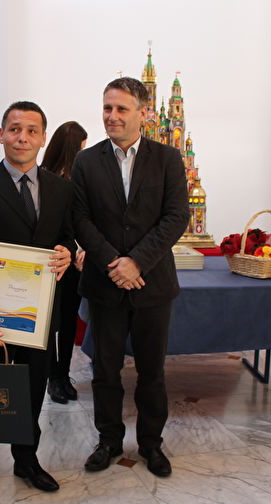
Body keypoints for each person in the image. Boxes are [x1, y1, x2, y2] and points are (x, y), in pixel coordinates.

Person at [0, 101, 75, 496]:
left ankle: (27, 460)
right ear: (2, 135)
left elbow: (67, 238)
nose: (23, 137)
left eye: (31, 131)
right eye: (15, 129)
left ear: (43, 138)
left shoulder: (61, 189)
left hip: (38, 314)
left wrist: (68, 252)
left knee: (34, 387)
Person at [72, 77, 189, 477]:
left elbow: (177, 216)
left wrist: (137, 262)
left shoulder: (167, 158)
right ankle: (108, 441)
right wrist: (114, 263)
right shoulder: (86, 161)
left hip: (152, 283)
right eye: (107, 108)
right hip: (105, 285)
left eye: (122, 108)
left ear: (143, 112)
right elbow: (80, 219)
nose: (112, 116)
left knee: (151, 373)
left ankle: (151, 445)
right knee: (105, 372)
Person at [41, 120, 88, 404]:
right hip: (49, 261)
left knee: (69, 320)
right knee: (49, 323)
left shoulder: (79, 181)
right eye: (81, 148)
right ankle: (52, 377)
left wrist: (82, 250)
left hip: (72, 262)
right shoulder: (44, 180)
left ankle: (63, 374)